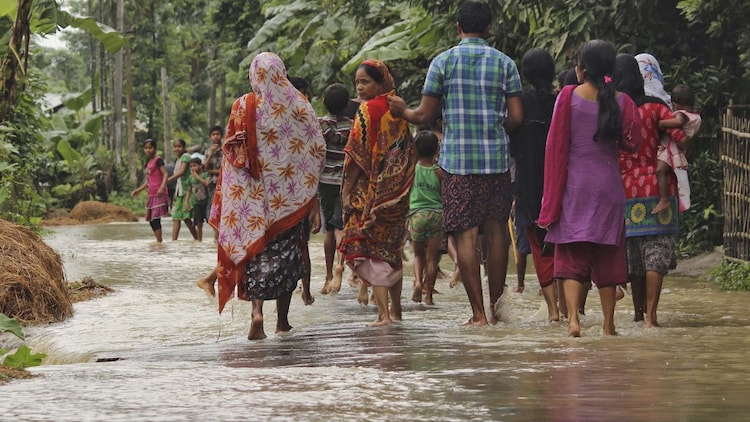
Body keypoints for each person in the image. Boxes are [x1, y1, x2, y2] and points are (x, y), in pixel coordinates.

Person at [388, 0, 523, 326]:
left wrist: (402, 110)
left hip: (458, 164)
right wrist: (492, 129)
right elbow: (517, 118)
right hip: (496, 161)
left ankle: (478, 316)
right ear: (488, 28)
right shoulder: (505, 63)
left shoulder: (442, 63)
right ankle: (496, 310)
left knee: (464, 236)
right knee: (496, 236)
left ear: (458, 28)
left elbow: (424, 115)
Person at [207, 52, 325, 340]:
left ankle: (256, 313)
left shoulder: (242, 105)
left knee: (255, 253)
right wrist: (310, 195)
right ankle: (282, 321)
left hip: (253, 200)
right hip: (290, 200)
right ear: (282, 72)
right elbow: (316, 150)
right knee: (288, 258)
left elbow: (231, 153)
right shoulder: (300, 105)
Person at [537, 40, 641, 337]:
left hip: (575, 187)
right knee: (608, 257)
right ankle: (609, 325)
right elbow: (632, 143)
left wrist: (549, 197)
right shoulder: (623, 101)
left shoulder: (568, 97)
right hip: (609, 188)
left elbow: (555, 145)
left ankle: (573, 320)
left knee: (571, 255)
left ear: (581, 69)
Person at [339, 59, 417, 327]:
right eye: (357, 83)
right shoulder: (399, 107)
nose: (360, 88)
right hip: (398, 193)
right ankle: (396, 312)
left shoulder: (366, 110)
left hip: (371, 194)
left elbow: (356, 155)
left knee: (371, 251)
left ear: (380, 82)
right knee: (392, 251)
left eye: (365, 82)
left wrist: (347, 192)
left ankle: (383, 316)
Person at [614, 53, 686, 327]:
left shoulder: (615, 109)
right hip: (659, 186)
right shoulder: (656, 107)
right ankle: (652, 317)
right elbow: (680, 135)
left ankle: (636, 313)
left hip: (626, 189)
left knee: (633, 255)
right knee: (655, 253)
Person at [508, 47, 560, 321]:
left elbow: (513, 146)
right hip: (560, 184)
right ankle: (570, 306)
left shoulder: (520, 105)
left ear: (524, 74)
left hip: (528, 185)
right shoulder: (562, 101)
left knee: (539, 249)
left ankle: (553, 310)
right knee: (563, 244)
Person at [317, 83, 353, 296]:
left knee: (329, 229)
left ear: (324, 102)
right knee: (342, 226)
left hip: (324, 182)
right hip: (345, 182)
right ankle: (342, 264)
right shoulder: (353, 125)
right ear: (347, 104)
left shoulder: (320, 124)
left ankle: (329, 275)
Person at [408, 131, 444, 305]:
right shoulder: (439, 172)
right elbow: (445, 195)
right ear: (436, 150)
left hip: (416, 214)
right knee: (432, 258)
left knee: (418, 255)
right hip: (436, 214)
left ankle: (417, 282)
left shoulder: (412, 170)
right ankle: (428, 295)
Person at [653, 84, 702, 214]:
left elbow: (678, 122)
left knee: (660, 171)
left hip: (673, 149)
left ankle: (664, 199)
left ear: (675, 104)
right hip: (681, 150)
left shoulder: (682, 115)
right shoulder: (695, 117)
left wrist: (660, 123)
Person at [130, 139, 170, 243]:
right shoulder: (148, 163)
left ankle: (159, 242)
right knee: (151, 221)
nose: (148, 150)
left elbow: (165, 174)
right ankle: (158, 241)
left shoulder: (158, 160)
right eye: (146, 148)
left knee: (155, 218)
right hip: (151, 194)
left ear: (155, 149)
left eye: (150, 148)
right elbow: (148, 181)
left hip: (159, 193)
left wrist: (162, 187)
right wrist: (138, 190)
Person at [166, 138, 198, 241]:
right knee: (177, 217)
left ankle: (197, 238)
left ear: (184, 148)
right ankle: (174, 241)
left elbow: (182, 171)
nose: (177, 148)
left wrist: (168, 180)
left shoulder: (185, 157)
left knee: (186, 217)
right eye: (175, 146)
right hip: (180, 191)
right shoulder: (178, 159)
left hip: (187, 191)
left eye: (179, 146)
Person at [203, 125, 224, 241]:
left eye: (218, 134)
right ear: (210, 137)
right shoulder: (208, 151)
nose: (216, 137)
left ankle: (220, 237)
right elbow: (205, 167)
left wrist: (212, 171)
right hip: (212, 184)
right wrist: (211, 154)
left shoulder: (225, 149)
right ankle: (216, 236)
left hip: (224, 183)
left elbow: (225, 168)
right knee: (212, 209)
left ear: (221, 136)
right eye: (213, 135)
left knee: (222, 208)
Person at [184, 157, 210, 242]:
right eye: (191, 166)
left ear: (200, 166)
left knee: (211, 221)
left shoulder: (205, 175)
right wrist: (186, 202)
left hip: (207, 202)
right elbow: (189, 190)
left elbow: (207, 184)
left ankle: (216, 239)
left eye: (194, 166)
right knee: (199, 223)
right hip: (197, 203)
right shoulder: (191, 178)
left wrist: (197, 177)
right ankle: (199, 241)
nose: (192, 168)